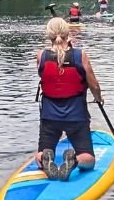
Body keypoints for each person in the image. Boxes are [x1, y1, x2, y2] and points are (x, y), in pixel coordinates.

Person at [34, 17, 103, 181]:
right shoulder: (81, 56)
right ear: (68, 34)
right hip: (76, 117)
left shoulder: (41, 56)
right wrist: (98, 98)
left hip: (49, 116)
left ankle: (44, 158)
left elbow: (46, 74)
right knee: (89, 160)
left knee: (41, 153)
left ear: (48, 34)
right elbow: (93, 85)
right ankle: (74, 160)